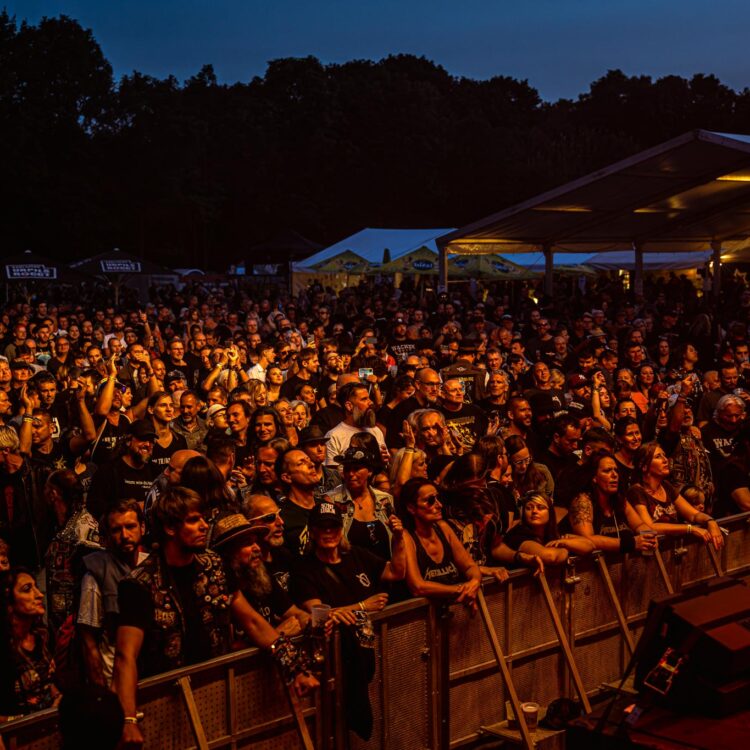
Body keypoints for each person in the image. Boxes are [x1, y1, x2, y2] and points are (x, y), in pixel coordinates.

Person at [113, 486, 316, 749]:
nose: (203, 526)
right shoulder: (139, 584)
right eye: (193, 520)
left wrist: (295, 667)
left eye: (203, 518)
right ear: (170, 528)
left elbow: (252, 621)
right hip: (165, 701)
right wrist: (128, 719)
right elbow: (125, 656)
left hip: (215, 691)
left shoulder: (215, 566)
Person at [77, 500, 148, 687]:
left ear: (142, 528)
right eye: (116, 530)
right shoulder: (97, 572)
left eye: (130, 526)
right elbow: (88, 639)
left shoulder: (151, 564)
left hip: (150, 671)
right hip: (114, 677)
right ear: (107, 536)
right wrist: (100, 687)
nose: (125, 535)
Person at [210, 513, 308, 635]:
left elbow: (295, 613)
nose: (257, 548)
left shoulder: (261, 574)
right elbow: (230, 644)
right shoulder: (223, 590)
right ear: (229, 552)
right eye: (247, 543)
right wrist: (278, 635)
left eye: (255, 541)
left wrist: (317, 621)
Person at [399, 478, 482, 608]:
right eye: (430, 501)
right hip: (423, 617)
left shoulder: (443, 528)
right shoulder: (406, 537)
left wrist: (474, 582)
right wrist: (460, 590)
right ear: (411, 508)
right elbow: (418, 587)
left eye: (438, 498)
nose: (439, 505)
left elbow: (469, 566)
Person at [626, 442, 724, 551]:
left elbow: (693, 514)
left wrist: (711, 521)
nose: (665, 460)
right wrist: (690, 528)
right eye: (658, 457)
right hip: (652, 553)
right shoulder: (636, 491)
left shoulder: (666, 486)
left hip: (671, 550)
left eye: (664, 455)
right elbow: (649, 527)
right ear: (644, 466)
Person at [0, 568, 60, 719]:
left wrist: (58, 699)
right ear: (9, 601)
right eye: (27, 589)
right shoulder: (4, 648)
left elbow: (51, 683)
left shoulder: (43, 635)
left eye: (36, 587)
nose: (39, 595)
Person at [568, 452, 657, 554]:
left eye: (616, 470)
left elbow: (639, 525)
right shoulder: (582, 501)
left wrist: (649, 536)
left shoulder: (620, 499)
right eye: (607, 471)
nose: (614, 475)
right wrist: (631, 544)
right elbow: (587, 540)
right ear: (594, 477)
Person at [327, 446, 396, 560]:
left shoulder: (385, 499)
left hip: (386, 566)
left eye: (356, 468)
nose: (350, 474)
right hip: (351, 568)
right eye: (347, 469)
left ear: (370, 471)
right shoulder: (332, 500)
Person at [492, 491, 593, 569]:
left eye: (540, 508)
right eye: (529, 508)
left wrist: (565, 542)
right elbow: (551, 557)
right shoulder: (518, 535)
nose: (534, 511)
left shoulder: (552, 533)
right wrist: (566, 546)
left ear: (550, 512)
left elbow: (590, 545)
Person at [325, 382, 386, 469]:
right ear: (349, 406)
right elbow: (332, 473)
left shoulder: (375, 430)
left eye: (369, 398)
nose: (371, 402)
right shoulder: (334, 436)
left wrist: (382, 461)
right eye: (364, 399)